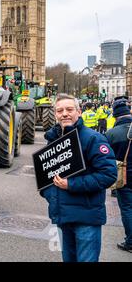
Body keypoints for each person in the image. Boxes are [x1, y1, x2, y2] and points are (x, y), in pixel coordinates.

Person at [41, 94, 117, 262]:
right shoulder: (53, 140)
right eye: (60, 110)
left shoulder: (93, 138)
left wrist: (71, 184)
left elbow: (108, 174)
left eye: (69, 109)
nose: (64, 114)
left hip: (86, 218)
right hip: (62, 215)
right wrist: (51, 196)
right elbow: (45, 176)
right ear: (55, 114)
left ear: (79, 112)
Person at [105, 99, 132, 253]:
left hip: (125, 178)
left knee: (127, 209)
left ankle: (130, 242)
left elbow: (106, 158)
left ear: (115, 116)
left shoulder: (111, 134)